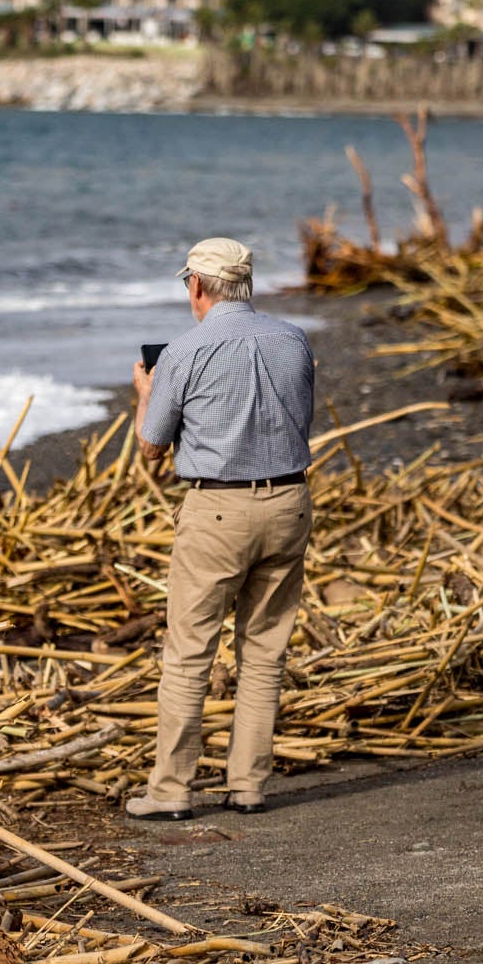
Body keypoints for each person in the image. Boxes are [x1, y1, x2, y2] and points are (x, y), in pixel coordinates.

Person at [126, 237, 315, 820]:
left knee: (188, 653)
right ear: (247, 284)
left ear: (199, 286)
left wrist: (146, 394)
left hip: (217, 510)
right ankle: (248, 784)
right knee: (264, 651)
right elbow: (296, 418)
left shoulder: (184, 352)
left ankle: (172, 790)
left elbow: (152, 447)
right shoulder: (293, 339)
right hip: (288, 499)